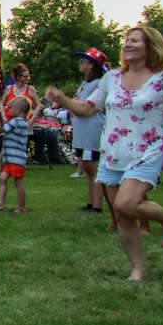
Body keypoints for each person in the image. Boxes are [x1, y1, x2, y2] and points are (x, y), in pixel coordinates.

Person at [46, 26, 163, 280]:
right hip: (112, 153)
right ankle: (138, 270)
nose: (127, 44)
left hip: (147, 150)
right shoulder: (113, 77)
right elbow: (88, 108)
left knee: (126, 202)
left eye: (135, 41)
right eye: (126, 40)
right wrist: (63, 100)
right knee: (123, 215)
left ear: (150, 46)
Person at [69, 48, 109, 213]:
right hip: (82, 131)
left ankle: (97, 205)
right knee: (86, 166)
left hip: (92, 131)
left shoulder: (97, 84)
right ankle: (91, 202)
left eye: (83, 61)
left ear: (92, 65)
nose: (80, 64)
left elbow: (82, 104)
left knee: (93, 167)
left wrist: (66, 102)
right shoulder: (86, 83)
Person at [0, 97, 31, 212]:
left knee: (18, 182)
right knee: (3, 178)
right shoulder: (21, 122)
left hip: (16, 158)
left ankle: (22, 207)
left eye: (11, 108)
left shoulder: (16, 122)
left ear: (18, 110)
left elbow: (0, 130)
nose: (10, 110)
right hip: (12, 158)